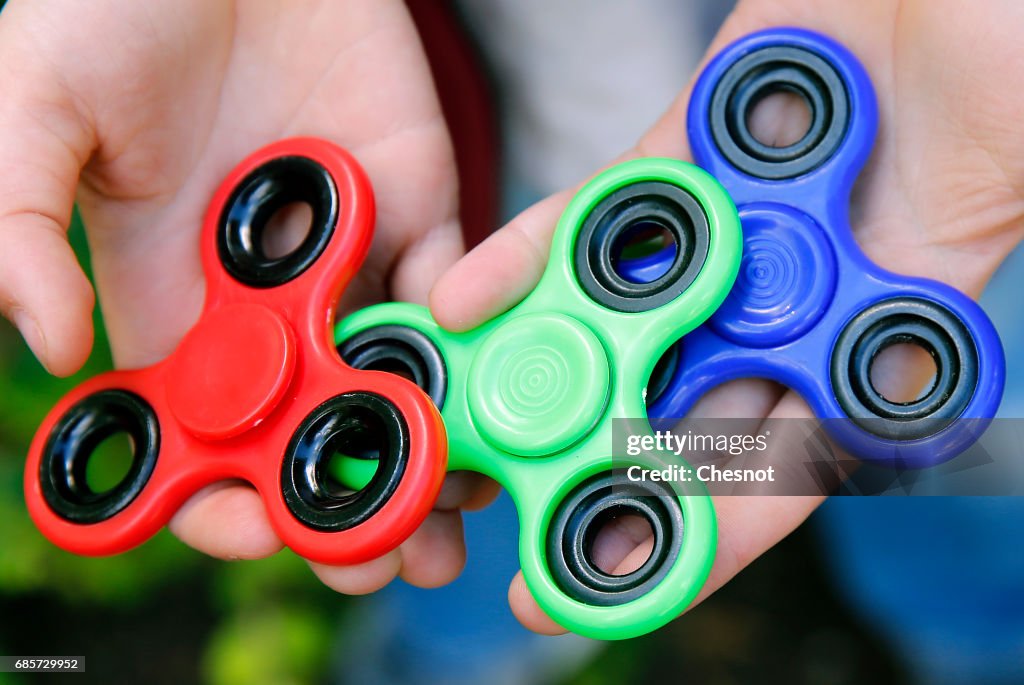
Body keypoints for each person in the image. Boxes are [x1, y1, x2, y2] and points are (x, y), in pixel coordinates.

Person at [0, 0, 1022, 640]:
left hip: (896, 81)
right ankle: (459, 651)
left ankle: (969, 628)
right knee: (454, 518)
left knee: (958, 453)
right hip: (533, 94)